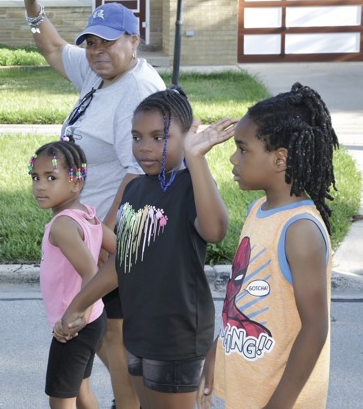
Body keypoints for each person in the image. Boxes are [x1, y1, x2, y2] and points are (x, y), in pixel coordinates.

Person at [24, 0, 166, 408]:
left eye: (108, 42)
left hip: (114, 234)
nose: (96, 51)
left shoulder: (137, 92)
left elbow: (137, 172)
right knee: (98, 335)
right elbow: (53, 49)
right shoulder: (100, 71)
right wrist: (32, 5)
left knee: (113, 337)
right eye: (91, 42)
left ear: (133, 40)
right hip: (91, 229)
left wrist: (101, 236)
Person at [56, 88, 237, 409]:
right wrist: (80, 303)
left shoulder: (190, 186)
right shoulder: (135, 189)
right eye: (137, 137)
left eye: (159, 137)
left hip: (177, 334)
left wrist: (196, 158)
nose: (145, 147)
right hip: (138, 330)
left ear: (187, 136)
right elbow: (122, 262)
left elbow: (215, 230)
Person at [198, 82, 338, 409]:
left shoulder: (299, 230)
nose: (233, 158)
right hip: (246, 389)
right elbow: (240, 300)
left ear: (279, 159)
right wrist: (214, 355)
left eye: (243, 149)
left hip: (278, 398)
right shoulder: (258, 211)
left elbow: (315, 328)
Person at [29, 139, 115, 409]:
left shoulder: (62, 226)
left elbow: (90, 272)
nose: (40, 186)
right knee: (80, 389)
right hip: (94, 319)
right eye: (35, 177)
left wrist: (78, 317)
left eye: (51, 177)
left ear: (76, 183)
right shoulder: (87, 214)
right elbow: (120, 250)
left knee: (60, 399)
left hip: (73, 324)